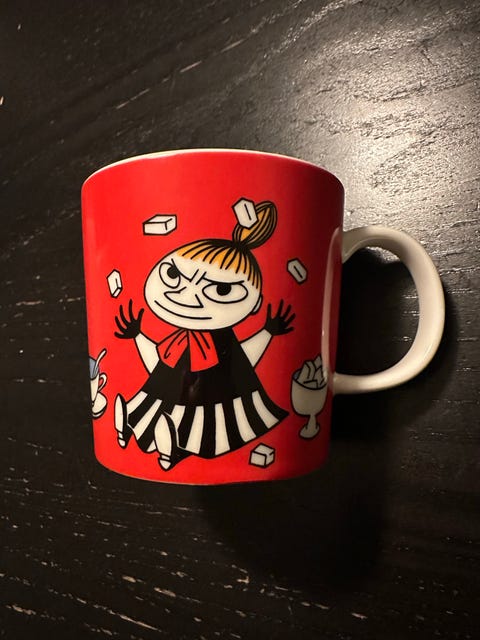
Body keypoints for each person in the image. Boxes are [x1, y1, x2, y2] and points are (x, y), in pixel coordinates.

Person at [114, 200, 294, 470]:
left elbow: (247, 360)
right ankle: (131, 426)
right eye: (173, 274)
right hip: (168, 403)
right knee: (155, 407)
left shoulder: (224, 342)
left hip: (221, 406)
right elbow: (159, 365)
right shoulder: (179, 340)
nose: (188, 296)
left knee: (210, 432)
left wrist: (268, 332)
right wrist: (137, 335)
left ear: (256, 303)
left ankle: (172, 452)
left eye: (221, 290)